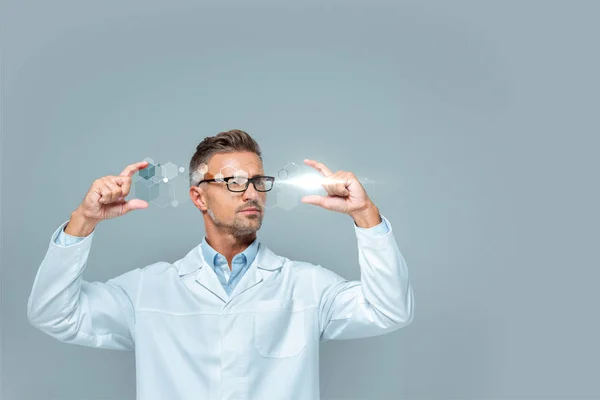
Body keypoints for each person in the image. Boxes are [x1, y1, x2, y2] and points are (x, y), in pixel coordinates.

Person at [27, 129, 414, 400]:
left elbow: (389, 310)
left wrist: (365, 214)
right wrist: (84, 221)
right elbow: (53, 313)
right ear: (199, 196)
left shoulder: (307, 286)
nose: (250, 193)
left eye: (258, 181)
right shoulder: (147, 290)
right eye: (233, 182)